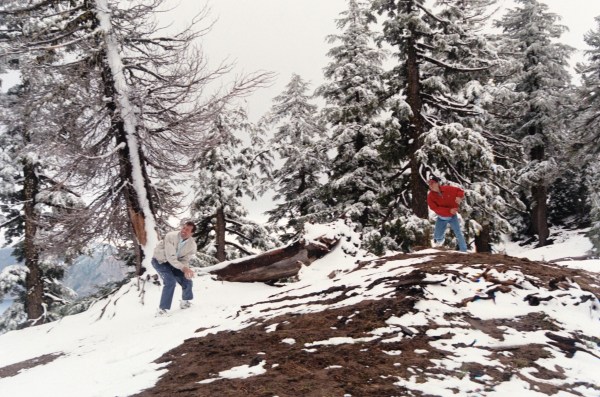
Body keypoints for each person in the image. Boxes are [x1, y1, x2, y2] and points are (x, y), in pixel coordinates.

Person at [152, 221, 197, 316]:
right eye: (184, 228)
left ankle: (185, 302)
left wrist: (185, 269)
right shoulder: (170, 236)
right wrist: (183, 268)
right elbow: (170, 257)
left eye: (187, 230)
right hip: (161, 261)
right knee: (170, 282)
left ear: (192, 233)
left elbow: (185, 259)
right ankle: (162, 310)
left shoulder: (192, 245)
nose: (184, 230)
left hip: (175, 263)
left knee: (187, 279)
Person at [427, 176, 468, 252]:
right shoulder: (430, 196)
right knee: (437, 237)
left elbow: (460, 191)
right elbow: (435, 208)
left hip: (453, 217)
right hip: (441, 218)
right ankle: (440, 247)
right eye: (429, 184)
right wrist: (449, 210)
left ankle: (464, 251)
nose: (430, 185)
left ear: (437, 183)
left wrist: (459, 197)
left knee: (458, 233)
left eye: (432, 183)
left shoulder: (448, 189)